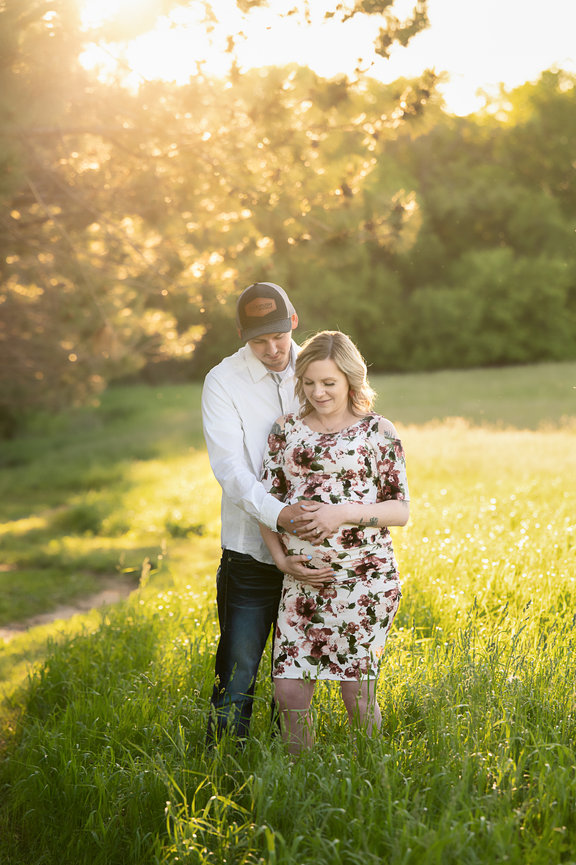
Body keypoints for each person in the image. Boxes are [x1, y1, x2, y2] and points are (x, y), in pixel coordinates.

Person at [259, 330, 410, 755]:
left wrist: (341, 512)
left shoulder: (377, 431)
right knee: (289, 692)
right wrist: (281, 560)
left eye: (329, 382)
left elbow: (400, 510)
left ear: (350, 379)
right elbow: (265, 504)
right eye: (309, 382)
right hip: (303, 581)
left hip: (364, 580)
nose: (318, 392)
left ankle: (371, 776)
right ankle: (299, 780)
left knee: (356, 693)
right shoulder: (285, 430)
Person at [201, 282, 333, 744]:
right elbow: (231, 469)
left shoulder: (319, 369)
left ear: (294, 321)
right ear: (242, 335)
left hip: (314, 550)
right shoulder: (223, 381)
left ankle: (287, 764)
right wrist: (280, 515)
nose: (273, 349)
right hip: (249, 554)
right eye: (260, 341)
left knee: (295, 672)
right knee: (237, 673)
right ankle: (222, 768)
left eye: (279, 336)